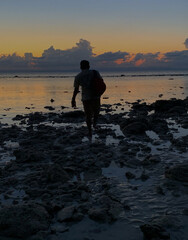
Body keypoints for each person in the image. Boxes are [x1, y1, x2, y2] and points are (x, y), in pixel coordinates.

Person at [71, 60, 102, 137]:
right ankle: (94, 124)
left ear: (80, 67)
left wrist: (73, 99)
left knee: (88, 115)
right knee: (96, 111)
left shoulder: (78, 76)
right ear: (89, 66)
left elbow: (76, 90)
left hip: (86, 97)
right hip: (96, 95)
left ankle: (90, 131)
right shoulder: (95, 72)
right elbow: (101, 82)